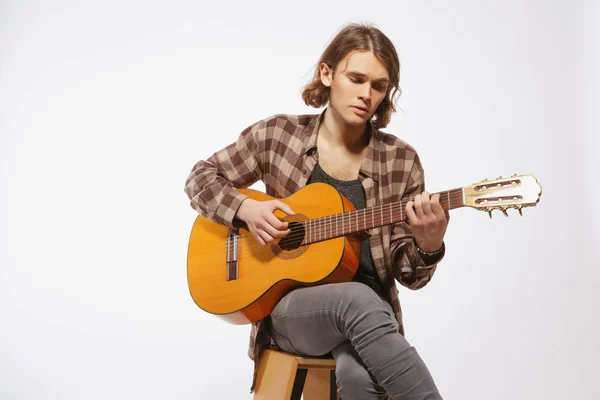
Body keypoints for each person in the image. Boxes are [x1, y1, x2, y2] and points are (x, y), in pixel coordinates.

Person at [184, 22, 449, 400]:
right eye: (356, 79)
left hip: (371, 322)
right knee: (357, 300)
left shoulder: (402, 161)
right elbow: (200, 178)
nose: (366, 95)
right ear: (327, 73)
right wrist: (245, 209)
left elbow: (410, 276)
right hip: (291, 313)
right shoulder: (277, 135)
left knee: (359, 379)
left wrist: (428, 244)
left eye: (378, 86)